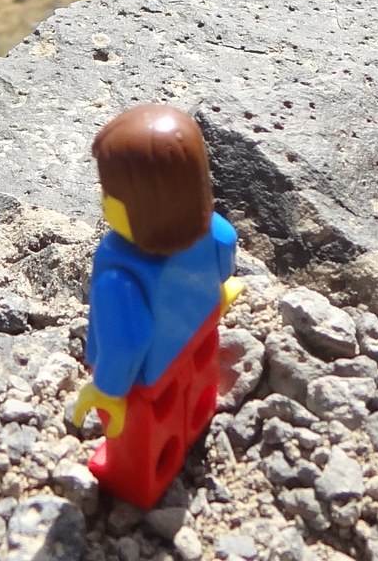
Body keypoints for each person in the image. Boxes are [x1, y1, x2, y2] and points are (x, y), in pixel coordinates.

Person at [72, 104, 240, 508]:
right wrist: (219, 293)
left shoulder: (120, 274)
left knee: (141, 434)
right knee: (196, 390)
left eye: (109, 193)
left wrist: (108, 389)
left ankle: (132, 479)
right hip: (199, 329)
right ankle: (197, 421)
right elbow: (225, 251)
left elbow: (126, 342)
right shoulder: (210, 228)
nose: (103, 199)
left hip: (147, 375)